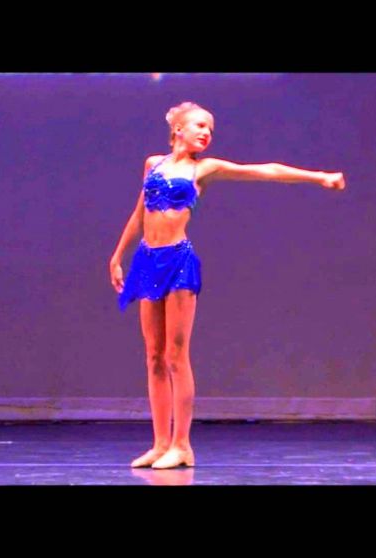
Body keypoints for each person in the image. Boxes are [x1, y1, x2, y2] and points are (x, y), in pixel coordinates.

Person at [109, 102, 346, 469]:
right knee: (153, 356)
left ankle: (182, 445)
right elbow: (140, 213)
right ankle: (160, 444)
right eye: (200, 126)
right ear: (178, 129)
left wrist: (319, 177)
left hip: (177, 261)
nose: (207, 133)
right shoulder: (152, 164)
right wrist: (117, 255)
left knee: (175, 355)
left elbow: (266, 170)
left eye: (211, 129)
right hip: (146, 260)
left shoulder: (204, 169)